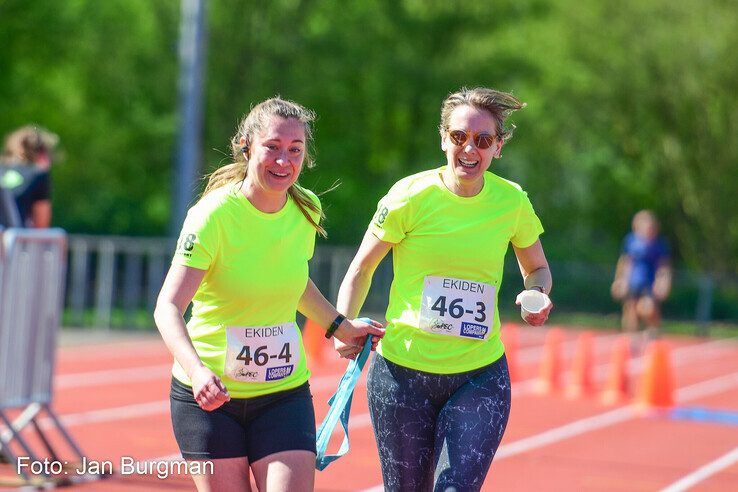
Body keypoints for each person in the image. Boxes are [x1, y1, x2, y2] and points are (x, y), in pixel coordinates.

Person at [154, 97, 385, 492]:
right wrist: (197, 373)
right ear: (247, 146)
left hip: (283, 394)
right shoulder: (212, 217)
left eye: (294, 150)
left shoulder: (306, 208)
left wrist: (340, 327)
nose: (283, 161)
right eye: (272, 147)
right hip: (212, 401)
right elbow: (168, 306)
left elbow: (295, 283)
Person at [335, 87, 554, 491]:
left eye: (483, 140)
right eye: (459, 137)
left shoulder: (511, 202)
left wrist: (535, 296)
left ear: (497, 148)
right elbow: (361, 268)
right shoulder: (409, 196)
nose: (469, 149)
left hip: (478, 375)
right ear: (442, 139)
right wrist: (341, 325)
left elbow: (537, 268)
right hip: (403, 375)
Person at [611, 210, 671, 340]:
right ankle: (631, 339)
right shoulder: (631, 241)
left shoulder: (659, 244)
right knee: (630, 310)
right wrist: (619, 279)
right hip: (632, 281)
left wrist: (663, 282)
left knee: (647, 308)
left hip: (648, 282)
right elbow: (625, 262)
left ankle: (653, 332)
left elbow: (663, 266)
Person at [0, 125, 57, 228]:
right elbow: (41, 225)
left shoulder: (2, 168)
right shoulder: (39, 174)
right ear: (42, 154)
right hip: (13, 240)